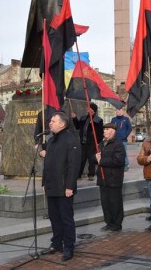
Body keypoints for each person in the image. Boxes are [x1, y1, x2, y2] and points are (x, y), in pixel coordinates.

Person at [40, 111, 81, 262]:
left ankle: (69, 246)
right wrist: (44, 182)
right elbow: (48, 165)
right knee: (54, 217)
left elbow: (73, 166)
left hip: (64, 187)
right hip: (52, 185)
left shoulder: (71, 139)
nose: (50, 123)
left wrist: (70, 186)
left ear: (62, 124)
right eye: (50, 120)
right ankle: (57, 242)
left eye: (53, 121)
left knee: (66, 218)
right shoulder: (51, 141)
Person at [95, 123, 126, 232]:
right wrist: (96, 158)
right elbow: (96, 159)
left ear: (113, 131)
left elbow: (118, 161)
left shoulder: (118, 144)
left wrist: (101, 161)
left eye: (107, 129)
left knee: (115, 202)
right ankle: (109, 222)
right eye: (104, 129)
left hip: (114, 178)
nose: (104, 131)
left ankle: (117, 224)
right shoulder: (101, 144)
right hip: (103, 179)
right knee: (105, 203)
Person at [71, 102, 103, 180]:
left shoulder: (98, 120)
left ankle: (91, 174)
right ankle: (79, 174)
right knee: (81, 159)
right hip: (83, 142)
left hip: (92, 143)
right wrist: (74, 118)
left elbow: (100, 133)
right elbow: (77, 127)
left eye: (89, 107)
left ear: (93, 110)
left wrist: (97, 141)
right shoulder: (83, 118)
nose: (87, 108)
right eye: (88, 107)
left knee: (91, 159)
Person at [111, 107, 132, 172]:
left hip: (123, 140)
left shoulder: (126, 119)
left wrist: (125, 135)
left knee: (124, 152)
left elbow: (130, 128)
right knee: (114, 152)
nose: (119, 112)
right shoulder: (113, 119)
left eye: (120, 111)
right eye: (117, 111)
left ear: (122, 112)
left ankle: (126, 165)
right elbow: (111, 128)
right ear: (116, 112)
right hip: (115, 139)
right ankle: (116, 165)